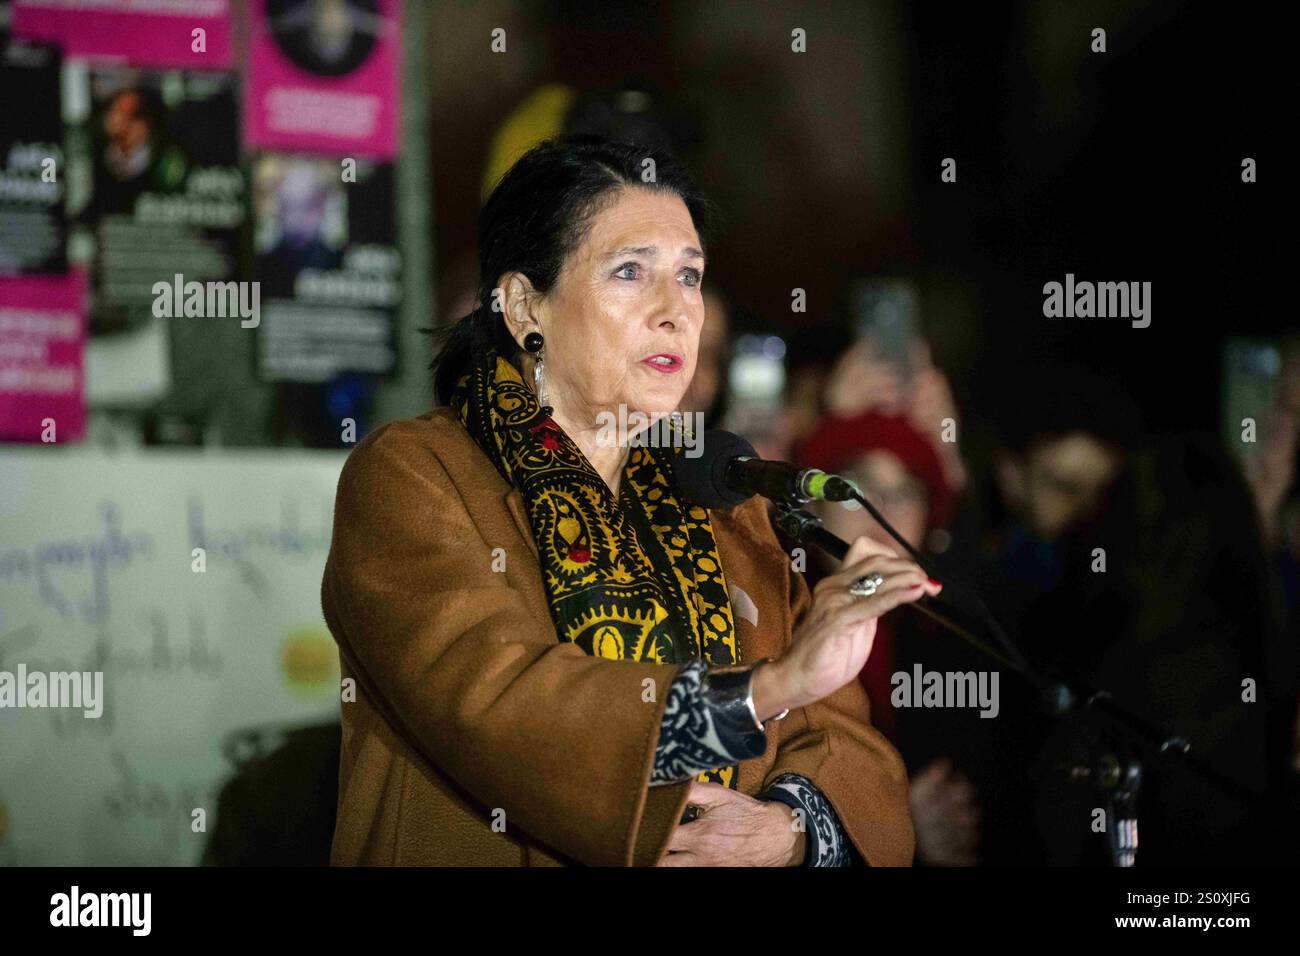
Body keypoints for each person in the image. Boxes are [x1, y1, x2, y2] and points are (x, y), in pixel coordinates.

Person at [322, 135, 940, 866]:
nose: (675, 309)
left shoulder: (723, 497)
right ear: (525, 305)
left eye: (689, 275)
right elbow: (499, 705)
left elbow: (846, 740)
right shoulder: (416, 475)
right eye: (629, 272)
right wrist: (766, 687)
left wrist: (787, 830)